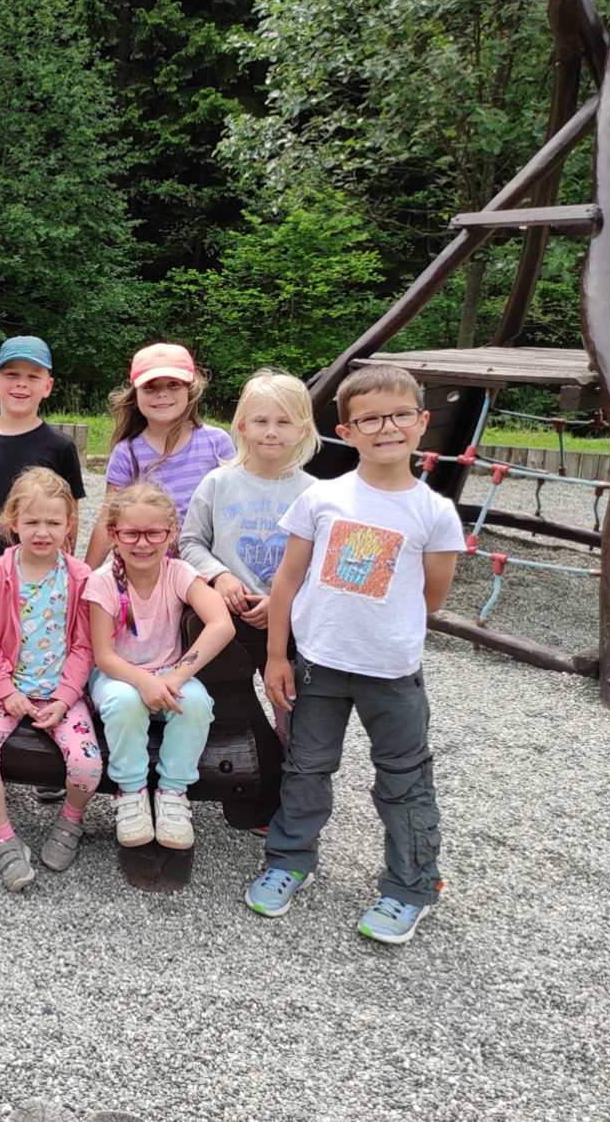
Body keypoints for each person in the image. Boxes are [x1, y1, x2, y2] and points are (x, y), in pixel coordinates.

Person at [246, 365, 463, 945]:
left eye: (399, 415)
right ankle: (290, 860)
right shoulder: (322, 498)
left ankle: (410, 885)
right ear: (346, 431)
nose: (386, 428)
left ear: (422, 422)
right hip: (318, 663)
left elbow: (432, 596)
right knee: (307, 768)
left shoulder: (434, 514)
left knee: (404, 778)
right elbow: (288, 580)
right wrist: (276, 656)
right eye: (370, 419)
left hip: (391, 672)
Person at [180, 369, 320, 828]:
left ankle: (292, 802)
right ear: (241, 426)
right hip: (230, 620)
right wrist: (218, 576)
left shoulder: (315, 493)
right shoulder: (218, 483)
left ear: (304, 429)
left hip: (289, 622)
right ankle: (251, 800)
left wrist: (285, 605)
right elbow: (190, 542)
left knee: (293, 714)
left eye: (284, 422)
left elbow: (321, 566)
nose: (271, 432)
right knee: (235, 714)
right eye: (261, 421)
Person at [0, 469, 101, 891]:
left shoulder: (80, 577)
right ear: (13, 522)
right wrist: (5, 690)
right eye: (32, 521)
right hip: (3, 690)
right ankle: (3, 837)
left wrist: (65, 697)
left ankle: (71, 820)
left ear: (70, 524)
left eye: (53, 522)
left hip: (60, 694)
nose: (43, 532)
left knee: (87, 766)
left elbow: (84, 646)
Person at [85, 481, 234, 851]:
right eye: (131, 533)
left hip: (169, 673)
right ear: (113, 534)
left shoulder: (179, 573)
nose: (143, 543)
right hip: (118, 675)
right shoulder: (102, 582)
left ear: (172, 533)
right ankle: (130, 790)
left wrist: (175, 676)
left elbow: (222, 624)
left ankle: (173, 791)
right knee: (125, 701)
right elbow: (104, 655)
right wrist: (144, 682)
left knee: (195, 702)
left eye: (154, 533)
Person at [84, 342, 234, 567]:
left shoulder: (217, 443)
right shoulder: (127, 453)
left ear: (190, 390)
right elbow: (109, 517)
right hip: (148, 568)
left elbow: (232, 514)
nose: (162, 394)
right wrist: (86, 576)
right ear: (136, 395)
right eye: (150, 387)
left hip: (207, 567)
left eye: (174, 384)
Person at [0, 336, 85, 566]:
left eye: (33, 377)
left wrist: (66, 564)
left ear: (48, 386)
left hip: (45, 566)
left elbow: (70, 512)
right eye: (12, 374)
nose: (22, 383)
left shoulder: (61, 447)